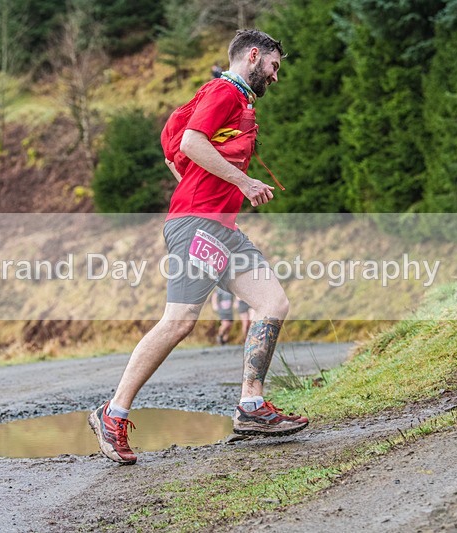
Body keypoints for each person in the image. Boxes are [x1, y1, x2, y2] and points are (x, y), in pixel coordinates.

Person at [89, 29, 307, 465]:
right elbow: (189, 143)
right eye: (274, 66)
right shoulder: (224, 91)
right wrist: (240, 183)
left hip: (221, 229)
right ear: (252, 56)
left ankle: (251, 407)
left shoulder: (240, 101)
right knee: (179, 322)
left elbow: (176, 156)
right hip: (197, 226)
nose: (276, 76)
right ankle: (111, 414)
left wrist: (211, 189)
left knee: (272, 303)